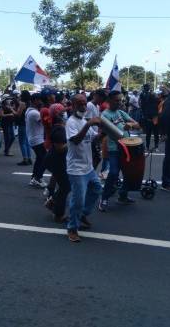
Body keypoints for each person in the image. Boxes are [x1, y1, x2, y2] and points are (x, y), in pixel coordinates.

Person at [65, 94, 102, 242]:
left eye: (84, 103)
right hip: (76, 169)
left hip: (88, 167)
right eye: (79, 104)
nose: (83, 106)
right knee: (78, 200)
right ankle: (72, 228)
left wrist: (104, 131)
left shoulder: (83, 121)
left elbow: (93, 138)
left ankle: (81, 215)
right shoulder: (71, 122)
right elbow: (75, 140)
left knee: (97, 189)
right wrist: (88, 125)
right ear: (72, 106)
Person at [98, 90, 141, 211]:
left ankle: (123, 195)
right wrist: (125, 127)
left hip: (128, 147)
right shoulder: (105, 115)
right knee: (113, 173)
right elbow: (110, 132)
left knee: (129, 172)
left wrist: (131, 125)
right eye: (117, 100)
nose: (119, 102)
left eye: (121, 100)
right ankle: (104, 198)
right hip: (114, 148)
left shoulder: (121, 113)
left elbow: (138, 125)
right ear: (109, 101)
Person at [43, 104, 70, 223]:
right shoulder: (59, 129)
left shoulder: (61, 126)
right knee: (65, 186)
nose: (65, 114)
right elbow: (60, 148)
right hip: (56, 160)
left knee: (65, 186)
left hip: (57, 160)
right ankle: (58, 214)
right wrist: (72, 141)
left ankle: (52, 202)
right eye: (63, 112)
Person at [26, 93, 47, 188]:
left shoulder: (30, 111)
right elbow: (46, 122)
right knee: (45, 159)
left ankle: (34, 178)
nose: (41, 102)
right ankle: (37, 178)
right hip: (37, 139)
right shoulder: (34, 113)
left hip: (35, 138)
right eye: (39, 100)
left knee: (40, 159)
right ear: (34, 101)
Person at [139, 84, 159, 152]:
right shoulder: (144, 96)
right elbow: (141, 104)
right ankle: (149, 147)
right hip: (149, 117)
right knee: (150, 133)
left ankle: (153, 146)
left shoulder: (155, 100)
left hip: (153, 117)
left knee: (153, 133)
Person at [15, 90, 32, 166]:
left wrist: (11, 109)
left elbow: (18, 114)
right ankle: (29, 158)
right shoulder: (30, 103)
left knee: (22, 142)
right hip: (28, 123)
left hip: (22, 123)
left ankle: (25, 159)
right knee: (27, 142)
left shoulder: (22, 103)